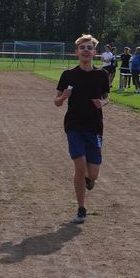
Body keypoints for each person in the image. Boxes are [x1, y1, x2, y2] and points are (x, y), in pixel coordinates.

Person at [55, 34, 110, 224]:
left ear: (94, 52)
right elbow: (56, 102)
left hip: (94, 127)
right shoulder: (68, 75)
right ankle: (81, 208)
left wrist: (101, 103)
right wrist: (64, 97)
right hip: (74, 126)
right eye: (82, 48)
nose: (86, 51)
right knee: (79, 167)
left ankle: (89, 179)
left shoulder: (101, 75)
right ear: (76, 52)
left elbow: (107, 97)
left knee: (92, 173)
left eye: (89, 48)